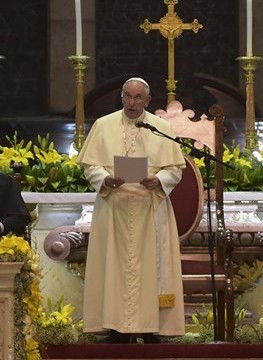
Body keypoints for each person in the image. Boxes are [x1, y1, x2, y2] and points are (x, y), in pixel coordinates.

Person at [77, 77, 186, 343]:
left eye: (138, 98)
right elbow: (90, 165)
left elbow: (174, 168)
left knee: (151, 268)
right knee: (113, 267)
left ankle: (151, 328)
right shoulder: (103, 125)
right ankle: (114, 327)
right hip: (113, 206)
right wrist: (105, 179)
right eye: (127, 96)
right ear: (122, 97)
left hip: (150, 206)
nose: (132, 103)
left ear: (148, 102)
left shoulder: (160, 128)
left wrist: (158, 180)